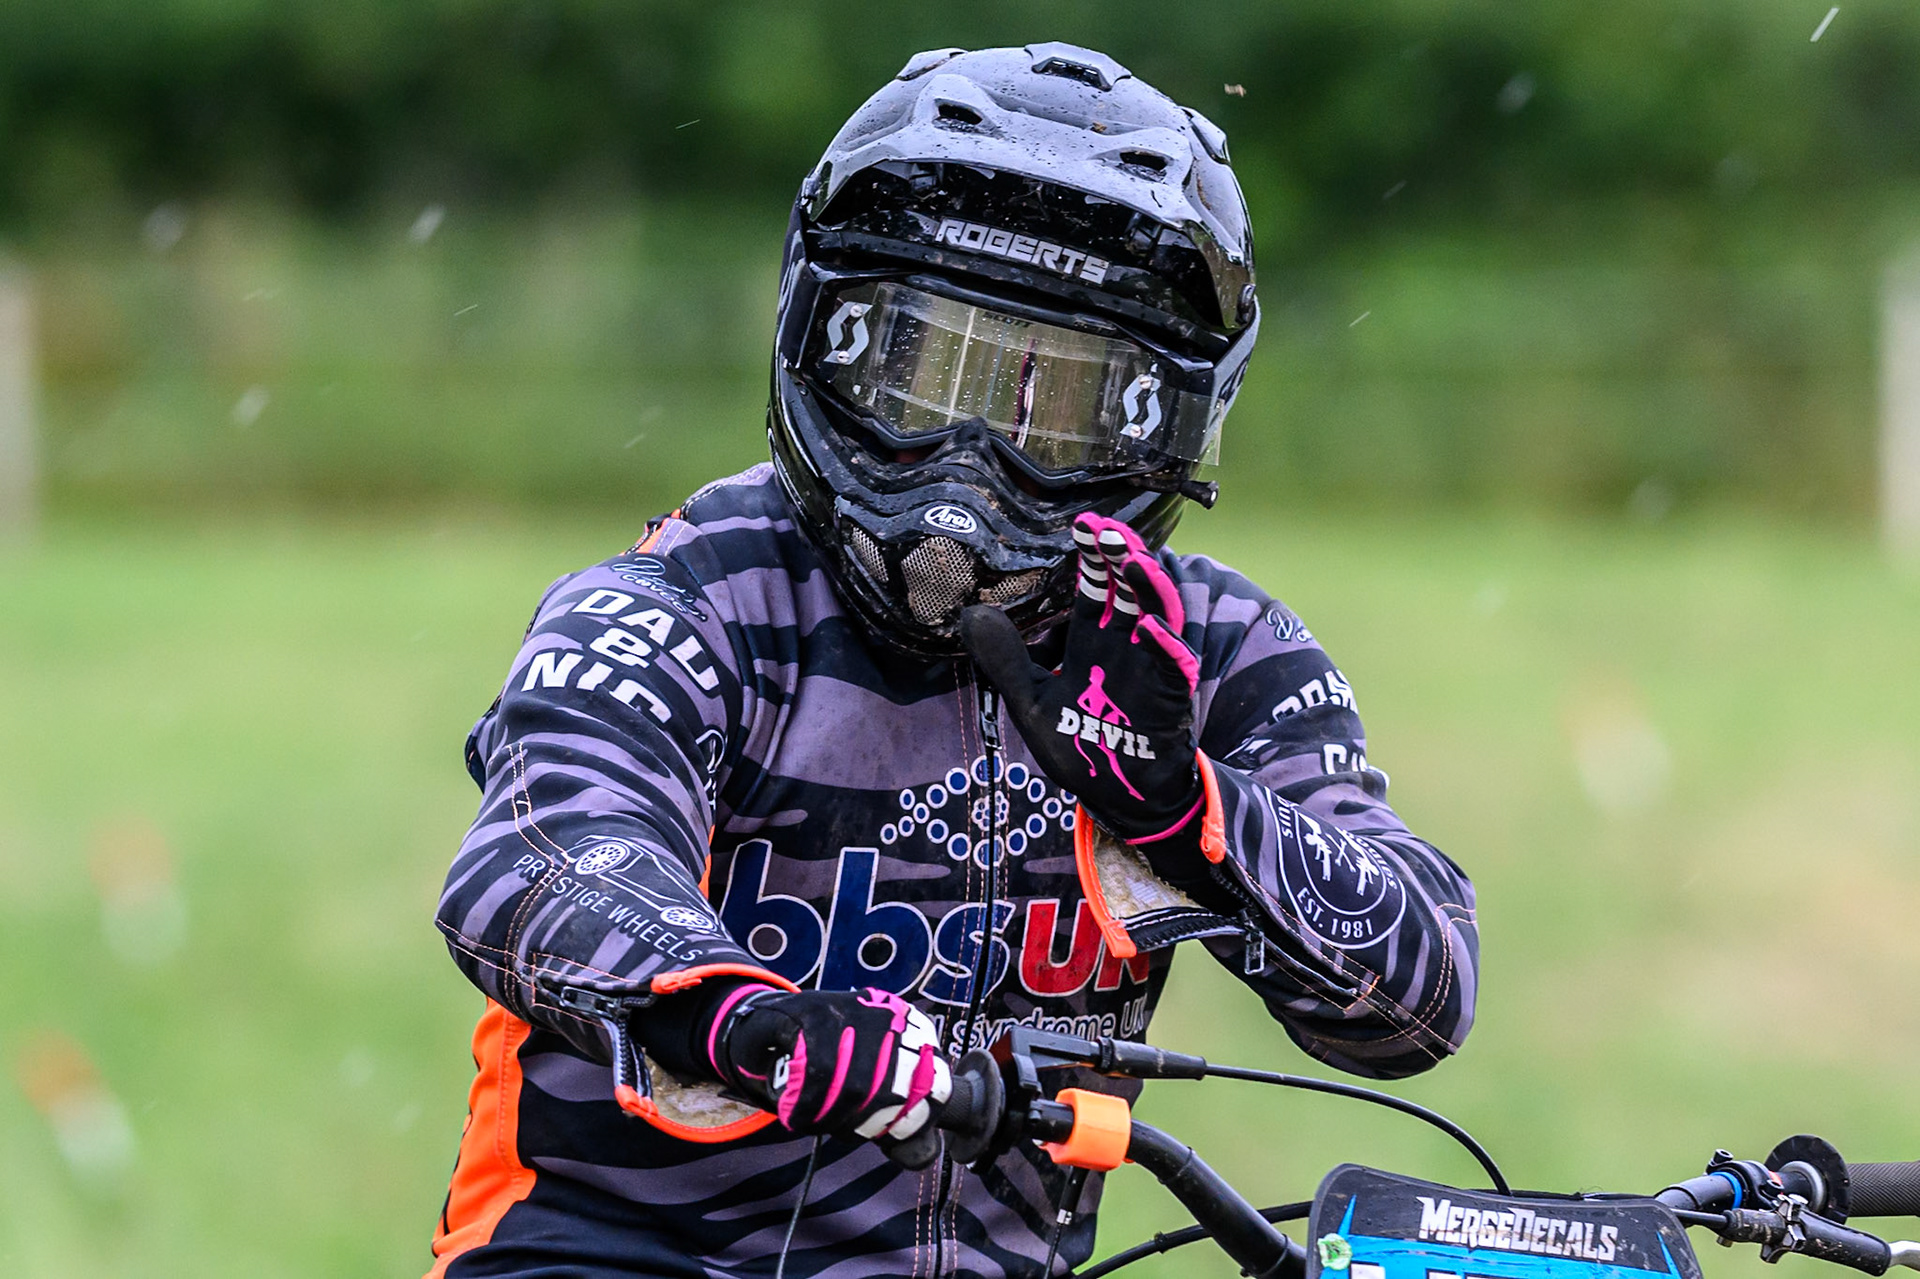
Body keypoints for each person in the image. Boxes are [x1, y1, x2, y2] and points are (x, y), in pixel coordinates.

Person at [427, 42, 1478, 1279]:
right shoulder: (688, 598)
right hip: (614, 1253)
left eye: (1060, 406)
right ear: (823, 332)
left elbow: (1420, 990)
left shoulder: (1213, 651)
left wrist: (1186, 810)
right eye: (925, 378)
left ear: (1168, 420)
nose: (973, 468)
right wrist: (744, 1015)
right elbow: (538, 857)